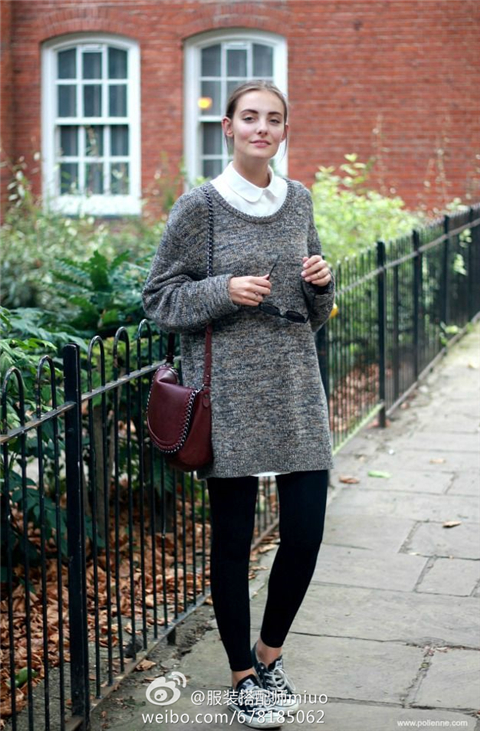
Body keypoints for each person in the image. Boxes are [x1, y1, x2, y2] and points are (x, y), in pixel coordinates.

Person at [142, 80, 335, 729]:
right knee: (232, 541)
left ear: (284, 130)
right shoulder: (200, 207)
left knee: (305, 532)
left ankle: (269, 655)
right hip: (228, 394)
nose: (261, 128)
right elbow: (159, 297)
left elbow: (314, 314)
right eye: (249, 117)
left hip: (295, 388)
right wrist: (223, 290)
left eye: (273, 119)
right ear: (227, 127)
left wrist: (321, 285)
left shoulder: (298, 199)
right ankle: (242, 677)